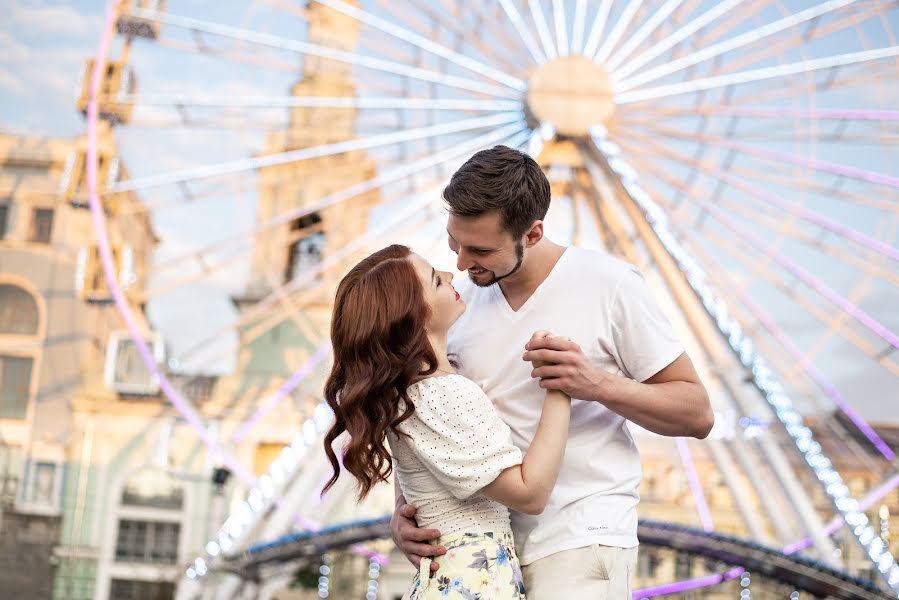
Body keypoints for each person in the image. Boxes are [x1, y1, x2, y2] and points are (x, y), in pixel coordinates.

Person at [391, 145, 714, 599]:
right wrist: (403, 509)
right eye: (454, 243)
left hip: (579, 535)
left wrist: (594, 383)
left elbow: (697, 413)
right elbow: (428, 421)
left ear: (534, 232)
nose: (462, 263)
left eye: (481, 249)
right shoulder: (456, 305)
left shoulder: (610, 286)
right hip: (484, 554)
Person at [322, 244, 572, 599]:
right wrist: (560, 388)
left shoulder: (407, 397)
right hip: (474, 581)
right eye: (435, 280)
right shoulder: (442, 394)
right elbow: (530, 494)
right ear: (414, 315)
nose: (450, 274)